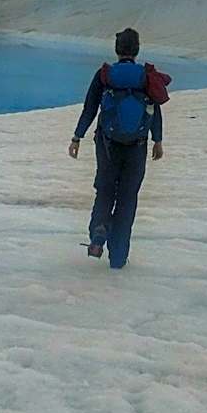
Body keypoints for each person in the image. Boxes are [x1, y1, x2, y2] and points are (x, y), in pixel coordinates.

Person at [68, 28, 166, 269]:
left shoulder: (105, 74)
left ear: (117, 49)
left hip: (107, 144)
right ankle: (119, 257)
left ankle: (99, 230)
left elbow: (90, 108)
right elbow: (155, 109)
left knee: (105, 189)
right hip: (137, 146)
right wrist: (158, 140)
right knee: (127, 198)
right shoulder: (146, 76)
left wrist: (77, 137)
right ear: (137, 49)